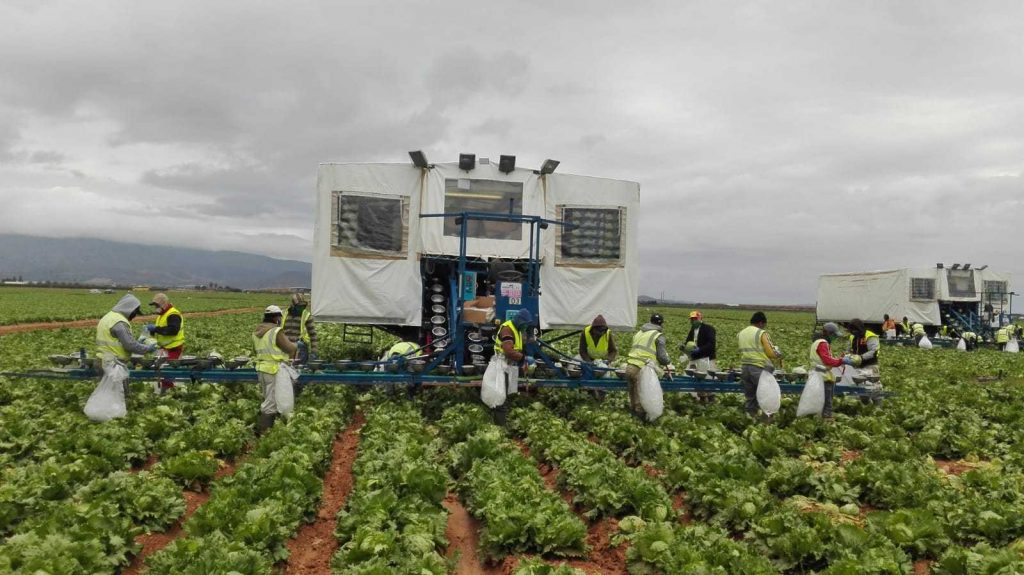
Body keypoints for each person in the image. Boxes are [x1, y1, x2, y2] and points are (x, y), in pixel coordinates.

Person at [95, 294, 158, 394]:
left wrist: (137, 343)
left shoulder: (108, 317)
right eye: (135, 313)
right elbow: (130, 345)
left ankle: (104, 409)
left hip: (102, 360)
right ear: (130, 310)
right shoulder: (119, 322)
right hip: (114, 365)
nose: (134, 316)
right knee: (119, 395)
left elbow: (116, 340)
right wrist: (148, 348)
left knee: (105, 393)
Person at [253, 305, 298, 433]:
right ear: (275, 317)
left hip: (261, 369)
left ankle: (266, 429)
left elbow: (255, 351)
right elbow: (290, 348)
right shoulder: (275, 331)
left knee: (267, 398)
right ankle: (264, 432)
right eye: (279, 317)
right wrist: (295, 346)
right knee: (271, 403)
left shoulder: (256, 332)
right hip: (273, 370)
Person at [624, 313, 672, 420]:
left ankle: (632, 417)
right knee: (643, 394)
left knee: (633, 394)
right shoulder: (658, 336)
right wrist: (667, 361)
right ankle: (641, 421)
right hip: (642, 369)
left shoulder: (639, 333)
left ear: (650, 322)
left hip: (629, 366)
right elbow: (662, 357)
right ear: (661, 324)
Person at [490, 308, 534, 425]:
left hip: (510, 365)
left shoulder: (517, 330)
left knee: (508, 394)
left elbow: (517, 349)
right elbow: (509, 351)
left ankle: (503, 422)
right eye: (524, 324)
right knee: (501, 397)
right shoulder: (507, 329)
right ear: (520, 321)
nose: (525, 327)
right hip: (502, 365)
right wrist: (524, 358)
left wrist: (522, 362)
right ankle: (500, 427)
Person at [736, 311, 783, 419]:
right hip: (758, 368)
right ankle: (767, 421)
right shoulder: (761, 333)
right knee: (767, 393)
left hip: (745, 368)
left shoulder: (741, 333)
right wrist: (778, 353)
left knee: (750, 396)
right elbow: (771, 352)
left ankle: (750, 418)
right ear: (761, 323)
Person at [809, 322, 852, 419]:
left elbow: (825, 358)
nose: (835, 338)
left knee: (820, 400)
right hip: (823, 376)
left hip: (817, 373)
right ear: (829, 333)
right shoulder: (823, 343)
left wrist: (838, 359)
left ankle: (820, 418)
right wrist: (841, 361)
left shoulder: (817, 342)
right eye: (834, 335)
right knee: (827, 401)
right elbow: (827, 360)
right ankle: (827, 419)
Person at [144, 293, 184, 391]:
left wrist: (156, 328)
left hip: (174, 348)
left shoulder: (173, 314)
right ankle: (166, 390)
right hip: (165, 348)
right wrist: (151, 332)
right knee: (163, 370)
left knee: (168, 372)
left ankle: (168, 393)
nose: (155, 308)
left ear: (163, 304)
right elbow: (162, 329)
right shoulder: (162, 314)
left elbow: (173, 330)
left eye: (157, 305)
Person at [682, 310, 717, 402]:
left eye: (695, 319)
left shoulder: (709, 329)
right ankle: (701, 399)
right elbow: (688, 343)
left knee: (708, 380)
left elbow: (711, 344)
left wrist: (700, 349)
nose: (693, 321)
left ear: (700, 318)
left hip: (707, 358)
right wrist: (684, 348)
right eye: (692, 319)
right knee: (696, 379)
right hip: (695, 358)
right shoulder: (692, 330)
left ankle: (710, 399)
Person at [845, 318, 882, 405]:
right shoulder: (852, 337)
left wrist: (861, 357)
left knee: (874, 387)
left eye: (854, 330)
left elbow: (874, 351)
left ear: (859, 328)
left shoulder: (870, 336)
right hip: (857, 367)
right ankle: (867, 407)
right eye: (851, 330)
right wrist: (847, 355)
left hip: (870, 365)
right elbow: (849, 349)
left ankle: (878, 408)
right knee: (860, 389)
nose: (853, 332)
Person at [282, 293, 317, 364]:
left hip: (300, 348)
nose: (301, 308)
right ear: (293, 305)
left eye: (303, 306)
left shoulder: (306, 315)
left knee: (299, 369)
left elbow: (313, 335)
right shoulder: (283, 314)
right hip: (285, 347)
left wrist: (314, 351)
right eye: (299, 306)